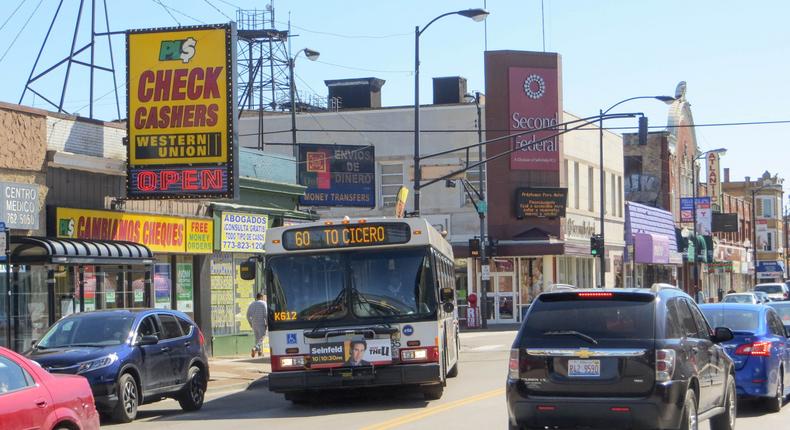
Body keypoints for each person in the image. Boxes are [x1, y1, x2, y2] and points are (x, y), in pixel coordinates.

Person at [246, 293, 268, 358]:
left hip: (254, 323)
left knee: (257, 338)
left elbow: (247, 315)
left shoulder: (252, 304)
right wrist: (267, 323)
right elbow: (266, 314)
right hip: (261, 323)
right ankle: (255, 348)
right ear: (261, 297)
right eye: (263, 297)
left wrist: (251, 323)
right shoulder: (264, 303)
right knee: (262, 337)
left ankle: (260, 352)